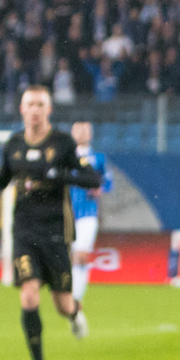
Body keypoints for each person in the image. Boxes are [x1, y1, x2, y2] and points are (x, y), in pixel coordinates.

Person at [0, 86, 103, 360]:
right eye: (29, 104)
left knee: (62, 304)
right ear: (21, 109)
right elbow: (2, 180)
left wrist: (62, 175)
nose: (34, 109)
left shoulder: (63, 143)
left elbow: (91, 178)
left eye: (40, 104)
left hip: (55, 232)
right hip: (24, 232)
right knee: (29, 295)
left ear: (49, 109)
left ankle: (75, 313)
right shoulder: (14, 144)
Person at [67, 121, 113, 306]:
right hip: (67, 213)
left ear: (91, 134)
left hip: (88, 213)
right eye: (78, 129)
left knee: (81, 254)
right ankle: (69, 292)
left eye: (86, 129)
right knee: (68, 255)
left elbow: (108, 182)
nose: (82, 132)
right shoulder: (66, 157)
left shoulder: (98, 158)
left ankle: (77, 296)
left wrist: (100, 188)